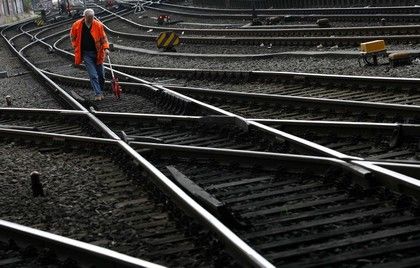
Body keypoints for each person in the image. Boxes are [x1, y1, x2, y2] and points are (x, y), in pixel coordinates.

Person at [70, 8, 109, 100]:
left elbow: (103, 38)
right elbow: (72, 36)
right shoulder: (76, 25)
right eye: (89, 17)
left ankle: (101, 91)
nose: (91, 19)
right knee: (93, 75)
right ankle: (98, 94)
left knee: (101, 76)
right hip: (86, 54)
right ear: (84, 17)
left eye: (92, 17)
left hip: (98, 53)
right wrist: (76, 46)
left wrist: (106, 48)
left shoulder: (98, 25)